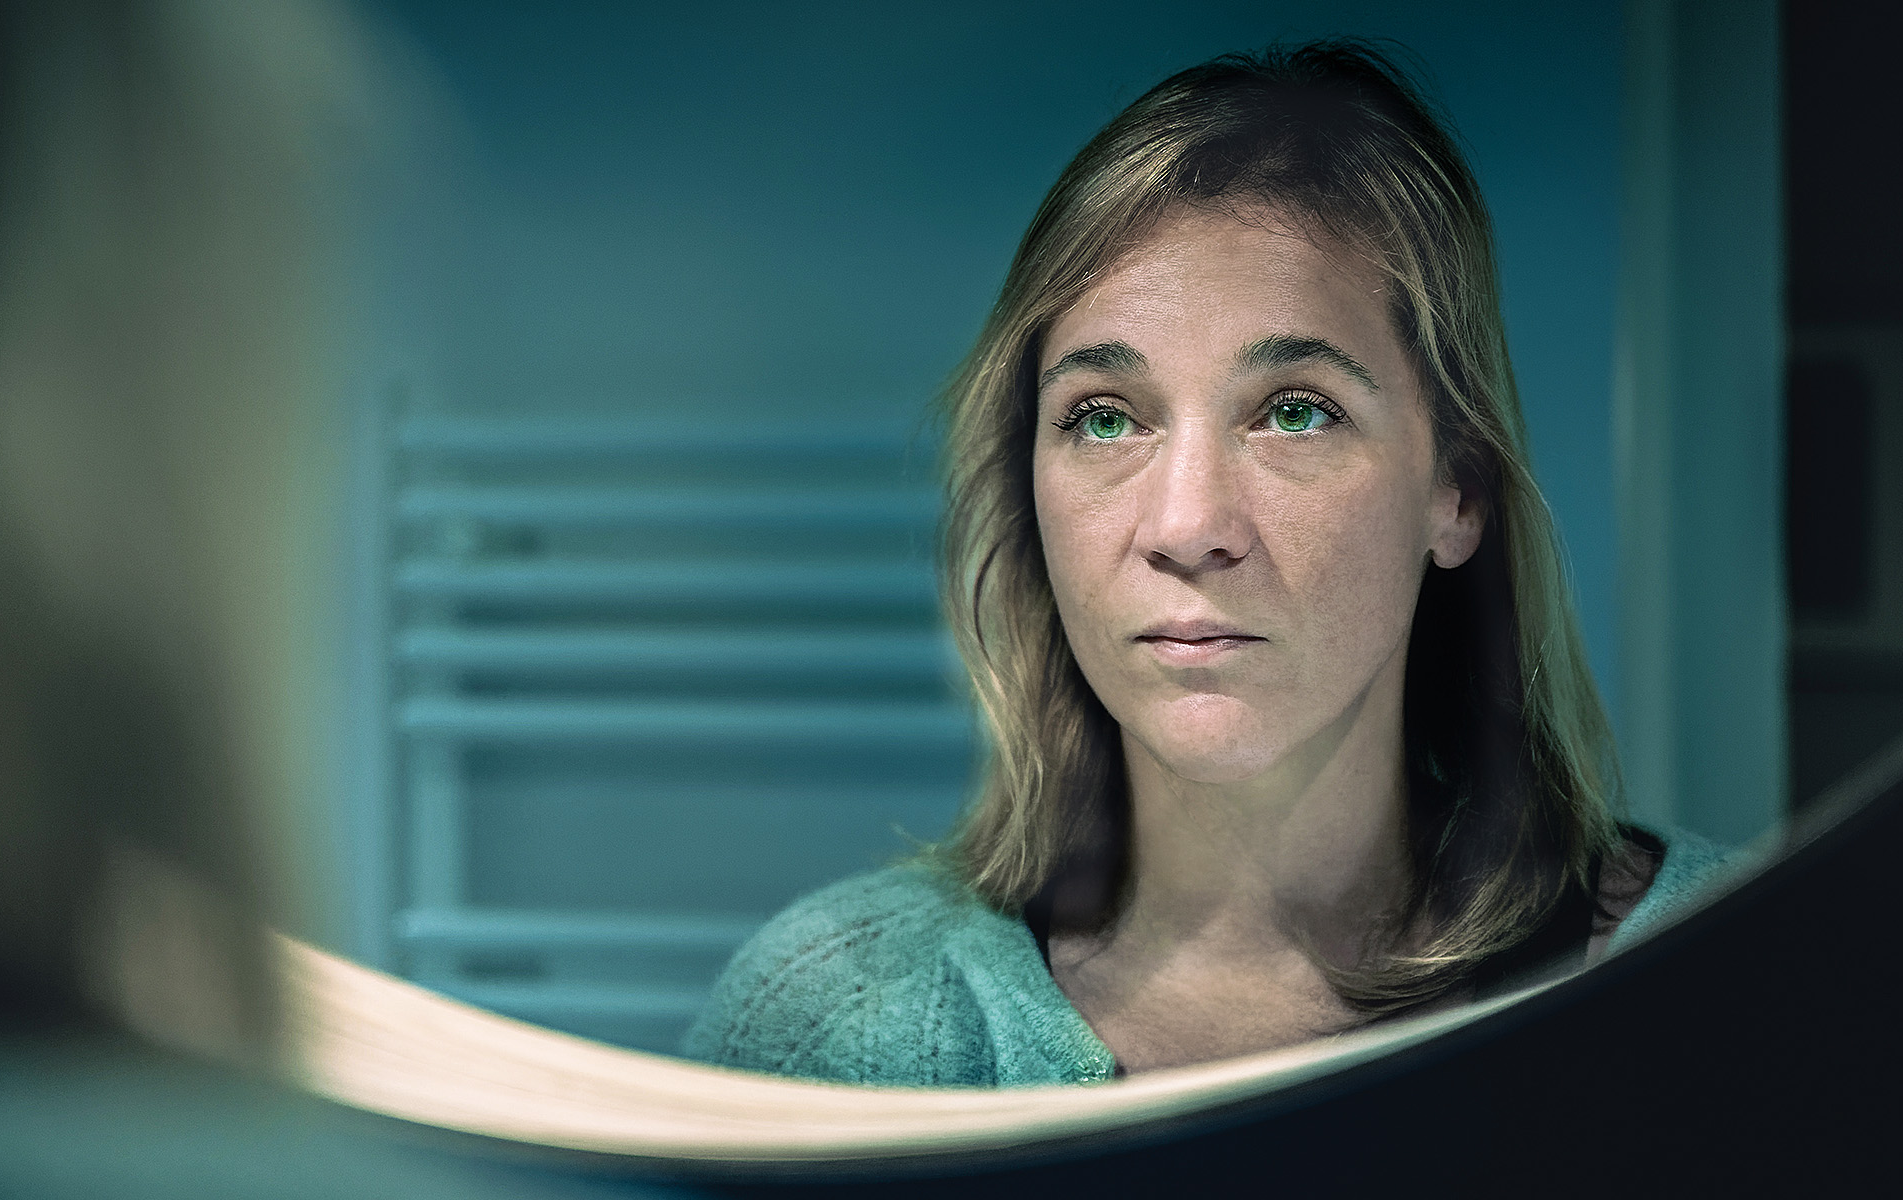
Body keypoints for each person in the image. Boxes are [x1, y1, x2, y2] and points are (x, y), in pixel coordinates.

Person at [682, 40, 1731, 1086]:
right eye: (1104, 419)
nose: (1187, 525)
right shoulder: (829, 1024)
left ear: (1455, 493)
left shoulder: (1733, 986)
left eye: (1295, 413)